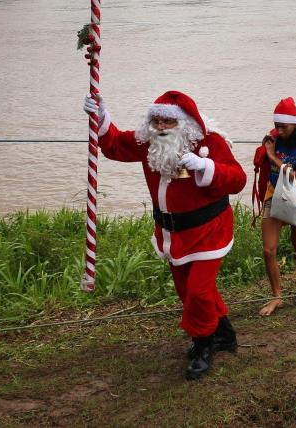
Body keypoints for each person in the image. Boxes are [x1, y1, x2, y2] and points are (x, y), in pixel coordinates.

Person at [83, 91, 247, 380]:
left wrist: (206, 167)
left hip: (209, 231)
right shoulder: (148, 143)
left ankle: (202, 344)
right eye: (155, 120)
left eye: (167, 121)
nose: (160, 126)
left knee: (198, 290)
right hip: (173, 233)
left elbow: (238, 179)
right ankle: (224, 334)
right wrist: (100, 116)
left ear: (183, 123)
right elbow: (116, 145)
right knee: (188, 291)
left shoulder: (209, 142)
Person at [253, 97, 296, 317]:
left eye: (283, 127)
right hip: (273, 193)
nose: (279, 130)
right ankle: (277, 296)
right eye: (276, 125)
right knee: (268, 249)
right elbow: (263, 160)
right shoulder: (274, 138)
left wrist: (271, 156)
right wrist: (265, 150)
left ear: (295, 124)